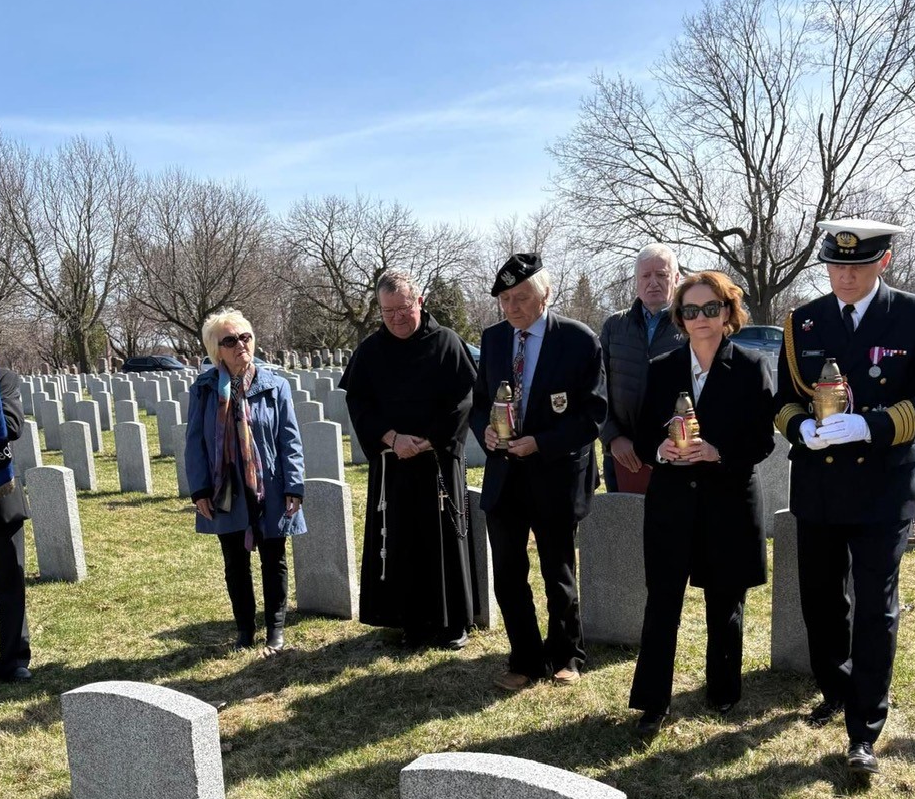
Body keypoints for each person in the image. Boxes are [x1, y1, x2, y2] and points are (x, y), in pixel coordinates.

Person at [773, 219, 915, 780]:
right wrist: (799, 427)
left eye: (858, 265)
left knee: (876, 605)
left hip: (881, 485)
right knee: (821, 600)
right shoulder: (804, 320)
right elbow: (783, 400)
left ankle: (864, 731)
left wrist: (870, 426)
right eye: (835, 265)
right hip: (819, 484)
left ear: (884, 262)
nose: (845, 276)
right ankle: (837, 688)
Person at [629, 271, 774, 734]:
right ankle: (653, 701)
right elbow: (644, 431)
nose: (701, 318)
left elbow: (762, 441)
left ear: (728, 311)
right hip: (672, 501)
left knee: (725, 600)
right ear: (680, 318)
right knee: (662, 601)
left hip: (728, 499)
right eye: (690, 310)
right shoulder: (662, 368)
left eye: (711, 308)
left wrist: (719, 453)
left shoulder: (751, 366)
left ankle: (723, 690)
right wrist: (659, 450)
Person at [471, 252, 607, 690]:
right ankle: (525, 659)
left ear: (546, 293)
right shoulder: (494, 339)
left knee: (557, 570)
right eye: (505, 300)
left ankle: (567, 653)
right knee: (509, 573)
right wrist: (485, 431)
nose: (512, 307)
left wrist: (541, 442)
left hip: (554, 473)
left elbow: (593, 414)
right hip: (504, 475)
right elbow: (479, 403)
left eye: (521, 297)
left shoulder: (578, 340)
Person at [339, 269, 477, 648]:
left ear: (420, 301)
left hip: (437, 460)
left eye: (403, 308)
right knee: (400, 539)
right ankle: (409, 621)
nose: (397, 318)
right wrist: (392, 438)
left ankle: (452, 623)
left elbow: (464, 400)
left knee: (442, 539)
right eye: (388, 312)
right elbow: (359, 403)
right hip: (393, 463)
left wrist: (429, 441)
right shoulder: (370, 351)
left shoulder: (447, 343)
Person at [186, 308, 305, 650]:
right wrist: (200, 489)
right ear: (217, 350)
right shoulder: (204, 389)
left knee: (274, 558)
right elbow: (195, 441)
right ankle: (244, 630)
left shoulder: (276, 386)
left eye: (245, 337)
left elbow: (289, 439)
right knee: (235, 563)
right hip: (226, 488)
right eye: (230, 341)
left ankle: (276, 629)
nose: (240, 345)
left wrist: (294, 485)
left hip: (270, 484)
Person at [600, 243, 685, 492]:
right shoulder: (614, 326)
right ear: (636, 281)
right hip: (622, 454)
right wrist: (613, 437)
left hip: (676, 453)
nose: (653, 282)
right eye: (646, 276)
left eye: (662, 275)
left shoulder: (690, 325)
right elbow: (596, 389)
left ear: (676, 278)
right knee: (624, 517)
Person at [0, 354, 31, 682]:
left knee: (9, 581)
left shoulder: (3, 379)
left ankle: (14, 659)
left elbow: (12, 425)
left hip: (0, 498)